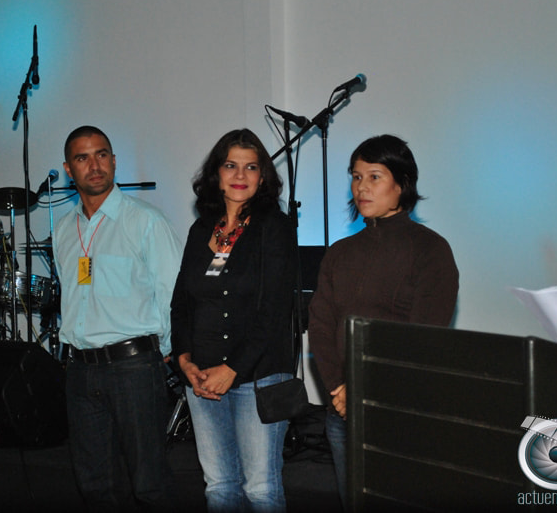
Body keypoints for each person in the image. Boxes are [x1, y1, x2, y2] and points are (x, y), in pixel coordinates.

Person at [308, 134, 459, 510]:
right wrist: (339, 389)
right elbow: (321, 326)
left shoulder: (431, 250)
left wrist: (364, 393)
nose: (362, 187)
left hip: (398, 415)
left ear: (402, 184)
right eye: (356, 177)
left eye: (374, 177)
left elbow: (421, 340)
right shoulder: (339, 252)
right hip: (341, 411)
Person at [54, 125, 183, 512]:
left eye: (101, 155)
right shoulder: (63, 229)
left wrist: (164, 352)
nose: (94, 165)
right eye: (82, 158)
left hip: (133, 368)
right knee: (95, 486)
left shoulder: (145, 221)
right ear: (69, 169)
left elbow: (174, 294)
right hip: (79, 370)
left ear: (113, 161)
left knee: (149, 484)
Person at [171, 128, 297, 513]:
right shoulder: (200, 230)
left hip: (259, 376)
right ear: (216, 174)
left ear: (263, 177)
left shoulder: (275, 227)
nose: (240, 175)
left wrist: (232, 369)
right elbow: (181, 304)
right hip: (202, 377)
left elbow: (274, 311)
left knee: (260, 489)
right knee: (219, 488)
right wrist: (184, 360)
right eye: (231, 165)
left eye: (251, 167)